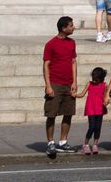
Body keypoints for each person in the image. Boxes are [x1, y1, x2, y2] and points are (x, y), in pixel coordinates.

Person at [42, 15, 77, 157]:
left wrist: (74, 81)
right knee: (51, 114)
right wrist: (48, 85)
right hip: (55, 83)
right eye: (71, 25)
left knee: (68, 113)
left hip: (68, 83)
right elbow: (46, 65)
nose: (73, 27)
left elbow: (73, 62)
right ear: (63, 28)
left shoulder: (72, 43)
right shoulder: (51, 44)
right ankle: (50, 143)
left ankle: (63, 142)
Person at [80, 68, 109, 157]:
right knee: (92, 126)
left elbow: (106, 96)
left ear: (101, 78)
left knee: (98, 127)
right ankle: (86, 144)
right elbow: (82, 94)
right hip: (91, 108)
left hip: (100, 108)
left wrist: (106, 101)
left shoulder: (105, 85)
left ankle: (95, 144)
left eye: (96, 79)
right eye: (93, 78)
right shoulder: (89, 84)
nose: (94, 80)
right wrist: (75, 95)